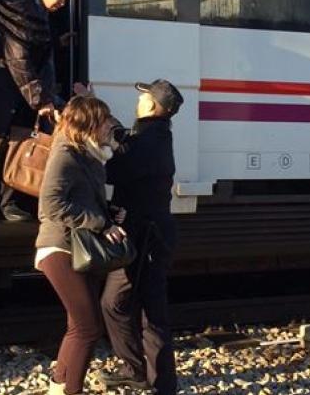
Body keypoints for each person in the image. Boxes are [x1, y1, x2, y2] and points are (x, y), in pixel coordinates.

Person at [35, 96, 127, 395]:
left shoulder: (88, 154)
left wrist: (110, 213)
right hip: (59, 247)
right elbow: (51, 203)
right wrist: (101, 224)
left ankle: (59, 387)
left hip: (73, 248)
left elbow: (82, 200)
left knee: (79, 327)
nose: (109, 124)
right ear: (87, 121)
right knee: (88, 328)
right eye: (104, 118)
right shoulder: (65, 152)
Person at [99, 79, 184, 394]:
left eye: (143, 96)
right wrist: (101, 114)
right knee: (140, 308)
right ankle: (146, 375)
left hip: (145, 239)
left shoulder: (148, 141)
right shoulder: (153, 136)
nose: (139, 100)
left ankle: (148, 377)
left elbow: (116, 167)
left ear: (151, 105)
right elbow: (126, 142)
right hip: (150, 235)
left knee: (123, 305)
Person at [0, 0, 74, 221]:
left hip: (14, 86)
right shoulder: (22, 9)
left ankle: (7, 201)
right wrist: (41, 98)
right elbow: (19, 58)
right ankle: (3, 202)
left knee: (15, 141)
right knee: (9, 141)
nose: (62, 4)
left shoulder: (30, 7)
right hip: (8, 86)